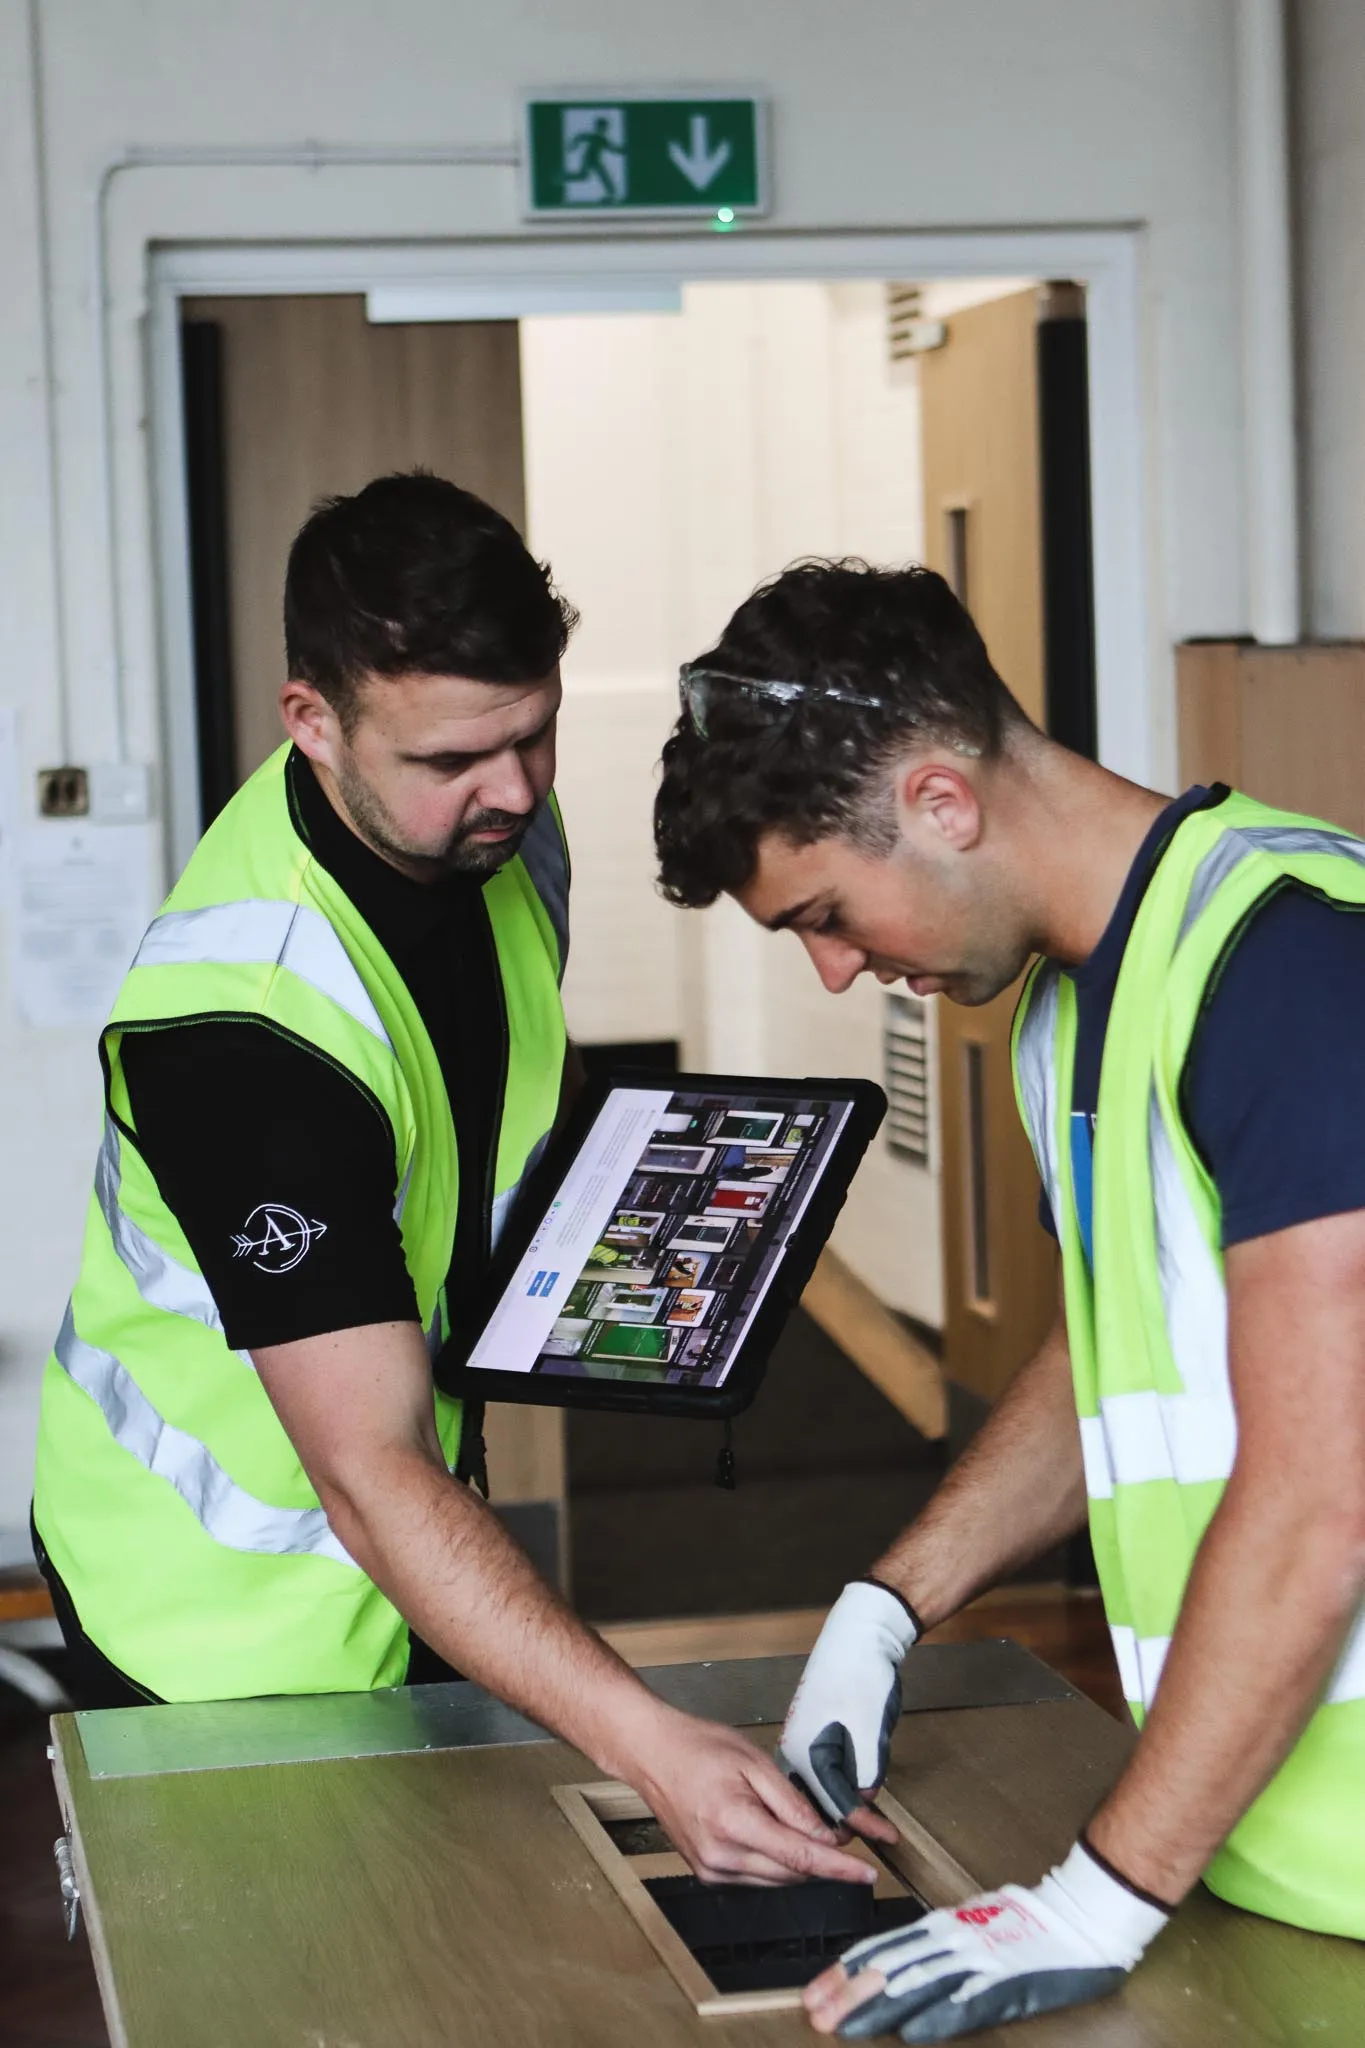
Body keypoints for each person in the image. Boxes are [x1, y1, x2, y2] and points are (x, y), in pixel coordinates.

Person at [30, 477, 878, 1894]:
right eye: (453, 759)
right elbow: (365, 1477)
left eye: (535, 733)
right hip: (220, 1611)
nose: (515, 790)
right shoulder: (240, 1033)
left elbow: (473, 1112)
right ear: (313, 722)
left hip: (413, 1522)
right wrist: (654, 1744)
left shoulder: (500, 829)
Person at [653, 558, 1365, 2036]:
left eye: (827, 915)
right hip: (1270, 1853)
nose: (838, 974)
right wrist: (889, 1603)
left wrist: (1097, 1894)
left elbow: (1325, 1496)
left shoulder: (1294, 970)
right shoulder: (1066, 1008)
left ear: (939, 802)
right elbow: (1118, 1347)